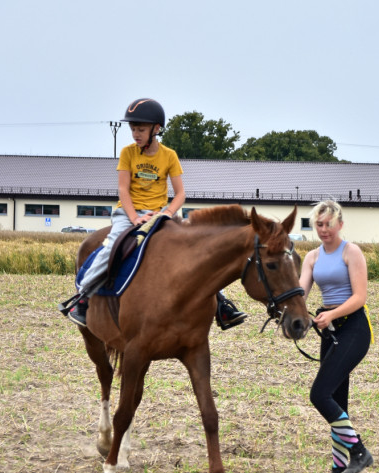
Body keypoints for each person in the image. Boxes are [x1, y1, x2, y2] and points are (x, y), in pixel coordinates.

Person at [62, 97, 246, 329]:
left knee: (193, 248)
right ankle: (83, 299)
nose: (135, 134)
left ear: (156, 129)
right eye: (133, 129)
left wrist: (167, 213)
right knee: (111, 248)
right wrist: (134, 218)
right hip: (127, 213)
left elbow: (180, 194)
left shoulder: (169, 156)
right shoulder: (128, 153)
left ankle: (222, 305)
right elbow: (122, 189)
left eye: (140, 129)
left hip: (159, 214)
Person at [298, 200, 374, 473]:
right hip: (329, 330)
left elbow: (359, 297)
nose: (324, 229)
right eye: (319, 224)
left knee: (319, 394)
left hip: (354, 327)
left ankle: (359, 451)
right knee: (337, 401)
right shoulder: (312, 257)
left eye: (329, 223)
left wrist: (330, 313)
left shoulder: (351, 252)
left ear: (340, 224)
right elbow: (300, 294)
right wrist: (290, 311)